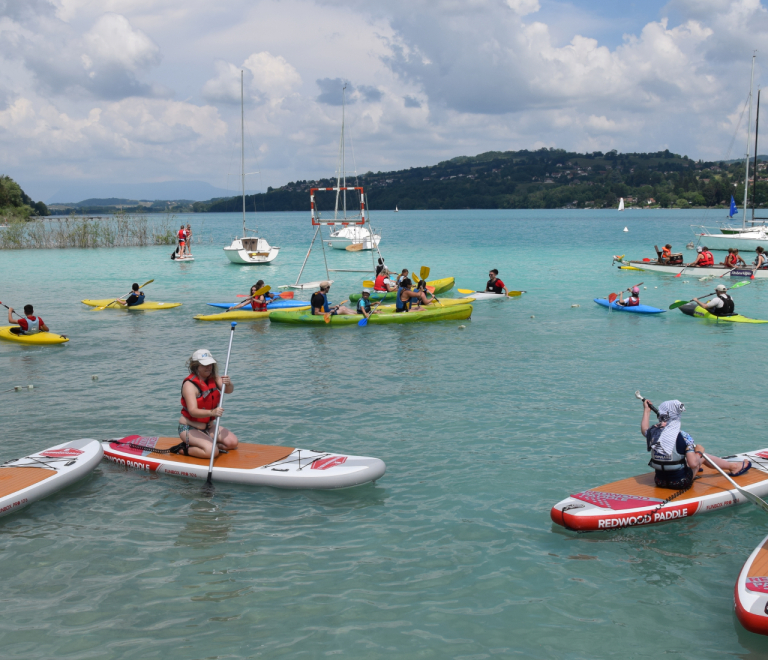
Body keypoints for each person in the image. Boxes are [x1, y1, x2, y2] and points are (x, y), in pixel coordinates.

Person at [640, 398, 750, 490]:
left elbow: (644, 428)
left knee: (685, 457)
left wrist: (646, 410)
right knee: (701, 458)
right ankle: (734, 467)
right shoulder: (684, 436)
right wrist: (699, 452)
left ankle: (726, 465)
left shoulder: (653, 432)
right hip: (680, 482)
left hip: (659, 481)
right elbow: (693, 463)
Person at [177, 349, 238, 458]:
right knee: (212, 452)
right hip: (189, 428)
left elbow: (229, 390)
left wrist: (229, 383)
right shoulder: (189, 385)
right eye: (205, 365)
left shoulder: (213, 378)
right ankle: (183, 449)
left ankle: (207, 442)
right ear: (196, 366)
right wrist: (212, 412)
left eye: (210, 364)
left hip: (207, 427)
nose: (209, 367)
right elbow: (193, 411)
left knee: (232, 443)